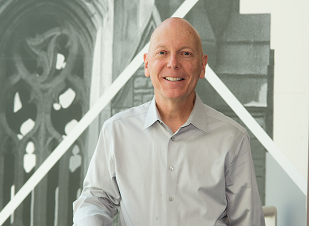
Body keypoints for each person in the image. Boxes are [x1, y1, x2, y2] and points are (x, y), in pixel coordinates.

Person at [73, 17, 265, 226]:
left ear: (202, 66)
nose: (173, 63)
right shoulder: (115, 132)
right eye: (162, 52)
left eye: (186, 54)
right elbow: (94, 201)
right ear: (147, 64)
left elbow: (249, 222)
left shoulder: (233, 139)